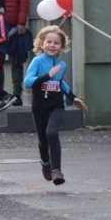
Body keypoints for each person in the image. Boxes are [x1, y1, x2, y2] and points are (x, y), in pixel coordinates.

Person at [23, 25, 87, 184]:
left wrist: (73, 97)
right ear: (41, 44)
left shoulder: (62, 65)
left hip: (56, 105)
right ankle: (46, 163)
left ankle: (57, 170)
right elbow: (28, 82)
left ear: (62, 47)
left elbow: (59, 83)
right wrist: (46, 76)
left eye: (56, 43)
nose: (52, 45)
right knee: (43, 141)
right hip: (39, 107)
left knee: (52, 133)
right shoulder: (37, 61)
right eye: (49, 42)